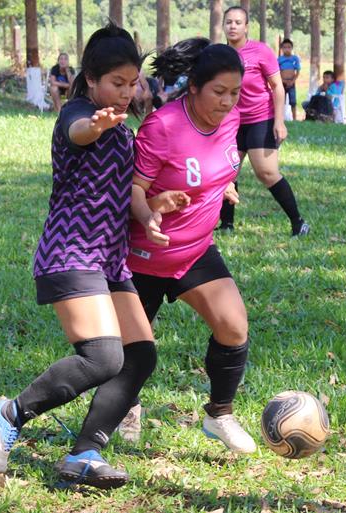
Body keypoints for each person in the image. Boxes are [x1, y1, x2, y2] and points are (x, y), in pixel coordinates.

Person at [0, 23, 158, 489]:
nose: (125, 93)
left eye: (132, 83)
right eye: (116, 83)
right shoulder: (79, 114)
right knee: (102, 357)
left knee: (139, 356)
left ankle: (84, 453)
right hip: (70, 252)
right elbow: (79, 132)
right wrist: (94, 125)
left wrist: (156, 207)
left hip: (108, 259)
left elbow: (122, 192)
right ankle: (10, 412)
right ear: (91, 78)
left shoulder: (123, 129)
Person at [119, 38, 256, 453]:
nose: (227, 101)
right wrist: (150, 213)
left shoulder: (230, 121)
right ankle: (126, 405)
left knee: (233, 326)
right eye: (219, 92)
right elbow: (132, 190)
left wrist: (224, 184)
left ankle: (219, 415)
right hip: (144, 255)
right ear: (193, 86)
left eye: (235, 92)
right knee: (134, 350)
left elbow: (219, 161)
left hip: (195, 251)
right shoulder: (162, 126)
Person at [219, 6, 309, 237]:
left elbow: (277, 87)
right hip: (231, 123)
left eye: (238, 22)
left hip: (261, 118)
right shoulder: (219, 54)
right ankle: (227, 225)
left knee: (266, 172)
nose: (233, 26)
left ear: (247, 26)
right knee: (225, 173)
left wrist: (279, 121)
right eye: (229, 22)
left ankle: (298, 223)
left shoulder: (260, 51)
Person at [278, 38, 301, 121]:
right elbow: (278, 71)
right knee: (281, 101)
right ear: (282, 49)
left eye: (289, 47)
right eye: (285, 47)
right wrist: (282, 80)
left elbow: (297, 71)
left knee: (293, 101)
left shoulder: (295, 59)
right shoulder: (279, 59)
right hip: (282, 82)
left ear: (292, 48)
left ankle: (294, 118)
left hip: (291, 83)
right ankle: (280, 118)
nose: (287, 49)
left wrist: (292, 81)